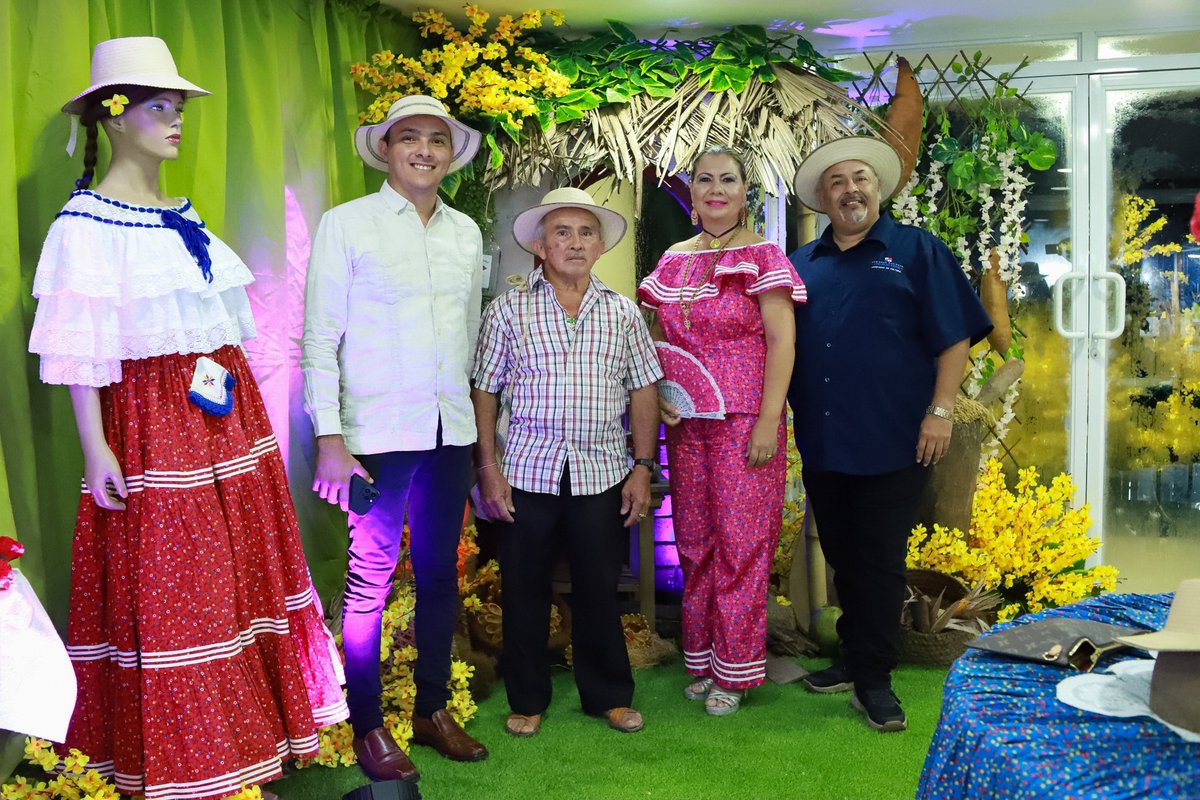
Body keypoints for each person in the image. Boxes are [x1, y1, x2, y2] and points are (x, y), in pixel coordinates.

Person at [27, 36, 348, 800]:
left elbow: (211, 328)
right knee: (184, 590)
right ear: (113, 117)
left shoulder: (181, 213)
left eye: (178, 107)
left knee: (238, 581)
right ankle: (197, 765)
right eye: (159, 107)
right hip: (151, 426)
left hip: (224, 420)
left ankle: (250, 748)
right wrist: (96, 447)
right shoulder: (87, 224)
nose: (176, 121)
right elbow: (82, 348)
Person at [301, 94, 488, 782]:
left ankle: (433, 711)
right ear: (384, 149)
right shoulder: (345, 225)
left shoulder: (466, 232)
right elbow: (320, 337)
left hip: (449, 429)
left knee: (442, 572)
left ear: (450, 154)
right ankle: (369, 725)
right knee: (368, 583)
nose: (424, 150)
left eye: (437, 140)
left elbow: (467, 333)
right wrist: (330, 436)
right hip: (374, 432)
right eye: (408, 138)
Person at [787, 137, 992, 732]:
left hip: (897, 437)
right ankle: (853, 659)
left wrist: (942, 410)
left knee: (878, 560)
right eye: (837, 182)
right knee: (847, 557)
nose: (851, 189)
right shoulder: (801, 266)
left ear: (878, 188)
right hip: (825, 438)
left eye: (861, 179)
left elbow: (954, 337)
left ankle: (875, 680)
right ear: (823, 198)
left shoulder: (916, 249)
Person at [471, 187, 663, 738]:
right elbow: (485, 392)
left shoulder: (623, 313)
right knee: (524, 589)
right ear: (539, 244)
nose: (574, 243)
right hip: (526, 471)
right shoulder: (508, 308)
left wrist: (642, 467)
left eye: (585, 232)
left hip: (603, 472)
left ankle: (608, 696)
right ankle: (528, 698)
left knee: (600, 588)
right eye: (562, 232)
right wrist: (489, 469)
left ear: (600, 245)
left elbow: (643, 391)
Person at [637, 147, 806, 716]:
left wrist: (767, 420)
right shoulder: (674, 260)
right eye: (704, 180)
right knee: (694, 543)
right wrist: (663, 396)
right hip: (689, 425)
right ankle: (705, 660)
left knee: (740, 544)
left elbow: (783, 342)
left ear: (744, 190)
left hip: (745, 424)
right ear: (693, 194)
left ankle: (735, 672)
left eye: (727, 180)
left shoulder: (762, 255)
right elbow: (664, 343)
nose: (715, 189)